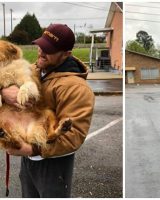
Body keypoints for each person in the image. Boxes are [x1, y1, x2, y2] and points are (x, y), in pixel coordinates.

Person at [1, 23, 95, 197]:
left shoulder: (77, 88)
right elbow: (7, 78)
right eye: (41, 46)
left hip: (54, 164)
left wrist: (31, 149)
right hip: (28, 159)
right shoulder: (35, 69)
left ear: (66, 54)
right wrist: (4, 93)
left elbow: (73, 136)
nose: (41, 52)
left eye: (49, 49)